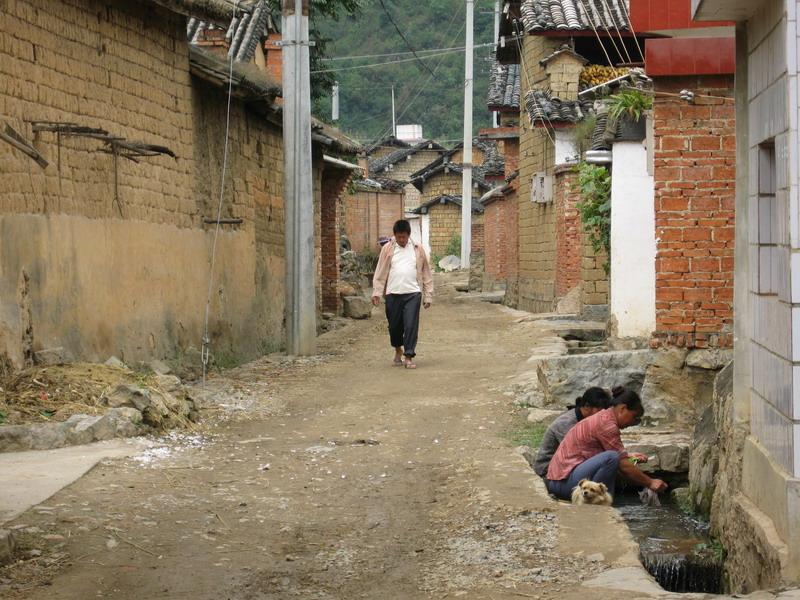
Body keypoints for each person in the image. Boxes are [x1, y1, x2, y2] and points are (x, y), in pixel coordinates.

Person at [545, 388, 667, 501]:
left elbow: (619, 462)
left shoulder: (604, 417)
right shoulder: (607, 425)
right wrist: (650, 482)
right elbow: (622, 465)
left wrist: (628, 460)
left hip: (560, 481)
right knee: (611, 457)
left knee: (613, 459)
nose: (633, 422)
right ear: (623, 409)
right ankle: (602, 502)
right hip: (563, 483)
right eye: (634, 417)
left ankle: (605, 500)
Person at [371, 219, 434, 369]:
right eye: (399, 237)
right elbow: (380, 271)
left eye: (404, 237)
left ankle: (409, 356)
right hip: (393, 294)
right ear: (395, 235)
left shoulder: (418, 249)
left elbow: (426, 273)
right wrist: (377, 292)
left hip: (413, 293)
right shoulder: (388, 249)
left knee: (411, 325)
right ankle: (398, 350)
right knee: (394, 326)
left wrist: (428, 295)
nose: (401, 240)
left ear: (408, 235)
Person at [533, 387, 612, 479]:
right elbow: (577, 453)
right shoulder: (566, 423)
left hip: (567, 465)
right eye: (599, 411)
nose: (602, 415)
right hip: (547, 470)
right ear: (587, 406)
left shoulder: (587, 420)